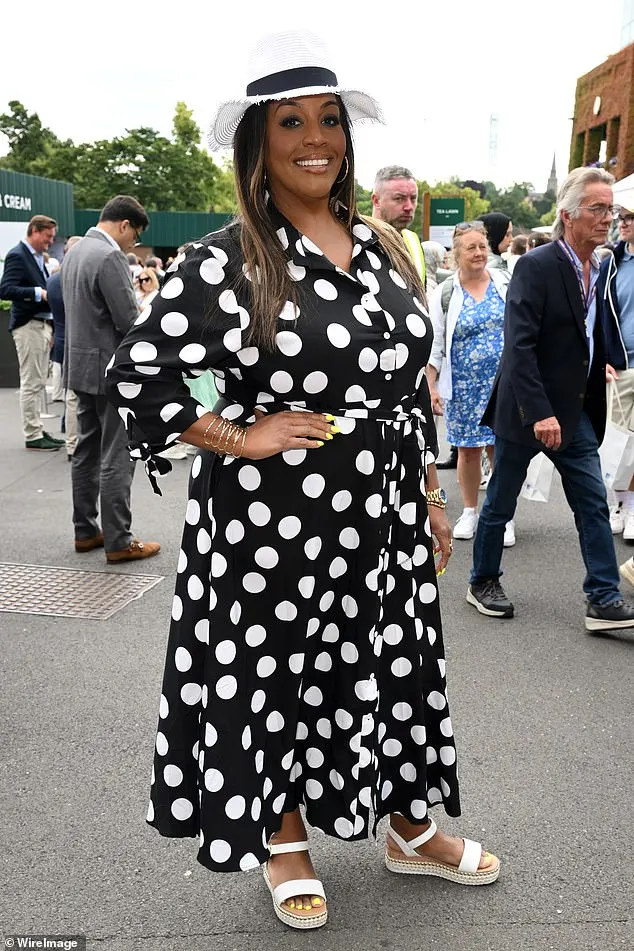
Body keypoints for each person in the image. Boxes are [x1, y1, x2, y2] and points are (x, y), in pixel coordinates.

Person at [106, 30, 500, 933]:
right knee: (280, 672)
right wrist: (237, 437)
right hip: (273, 519)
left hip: (387, 506)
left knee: (395, 661)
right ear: (259, 142)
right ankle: (285, 838)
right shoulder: (226, 259)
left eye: (329, 119)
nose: (315, 137)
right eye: (292, 122)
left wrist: (433, 497)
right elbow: (141, 376)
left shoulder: (387, 247)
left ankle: (408, 824)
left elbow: (409, 386)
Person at [467, 166, 634, 633]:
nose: (607, 218)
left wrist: (602, 358)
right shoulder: (536, 266)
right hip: (528, 410)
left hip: (576, 409)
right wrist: (539, 411)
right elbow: (518, 345)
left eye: (611, 209)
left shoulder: (599, 265)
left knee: (592, 503)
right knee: (500, 502)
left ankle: (602, 597)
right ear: (568, 215)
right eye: (597, 209)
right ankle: (482, 581)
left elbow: (587, 328)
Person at [61, 194, 160, 563]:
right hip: (110, 372)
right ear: (124, 225)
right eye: (133, 236)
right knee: (117, 454)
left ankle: (85, 530)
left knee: (85, 451)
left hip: (80, 367)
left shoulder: (75, 251)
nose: (132, 244)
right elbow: (128, 322)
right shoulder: (109, 257)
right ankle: (119, 539)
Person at [426, 223, 513, 545]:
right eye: (471, 248)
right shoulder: (446, 293)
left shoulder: (504, 283)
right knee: (468, 451)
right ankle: (471, 511)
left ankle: (502, 515)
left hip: (503, 385)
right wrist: (431, 388)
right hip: (463, 385)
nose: (478, 253)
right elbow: (434, 344)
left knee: (501, 449)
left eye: (482, 246)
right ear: (456, 254)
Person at [0, 214, 65, 451]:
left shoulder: (34, 257)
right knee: (31, 381)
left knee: (37, 381)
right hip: (28, 324)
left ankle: (36, 429)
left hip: (40, 325)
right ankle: (32, 433)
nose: (50, 242)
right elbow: (5, 289)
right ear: (35, 231)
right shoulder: (18, 255)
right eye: (47, 237)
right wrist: (39, 293)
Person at [598, 205, 634, 578]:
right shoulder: (613, 263)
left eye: (629, 219)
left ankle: (632, 508)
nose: (622, 224)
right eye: (620, 219)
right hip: (621, 364)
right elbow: (603, 314)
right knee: (619, 440)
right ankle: (619, 504)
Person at [47, 236, 82, 460]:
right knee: (75, 398)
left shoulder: (53, 280)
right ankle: (76, 444)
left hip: (61, 340)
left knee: (70, 397)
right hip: (79, 344)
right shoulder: (74, 279)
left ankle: (71, 443)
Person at [371, 165, 426, 285]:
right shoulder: (358, 240)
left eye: (413, 198)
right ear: (376, 201)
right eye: (399, 198)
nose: (409, 207)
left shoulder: (413, 240)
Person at [478, 212, 513, 276]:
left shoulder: (497, 262)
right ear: (495, 235)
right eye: (507, 235)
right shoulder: (491, 266)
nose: (511, 239)